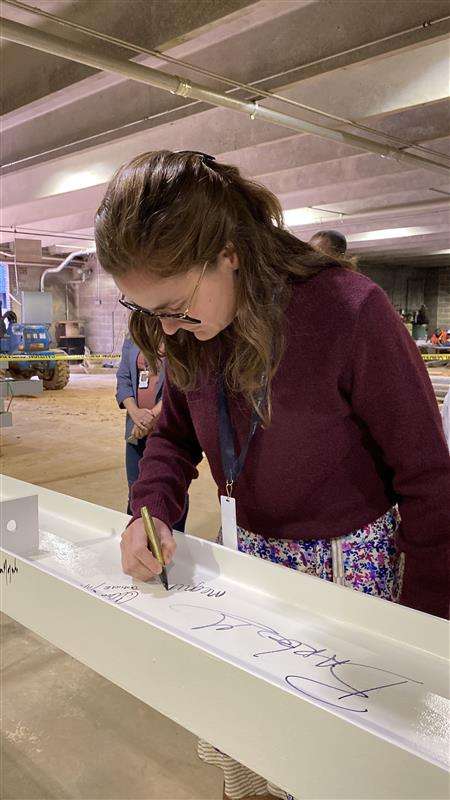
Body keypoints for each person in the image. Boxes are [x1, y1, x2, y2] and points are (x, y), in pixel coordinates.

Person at [95, 150, 450, 800]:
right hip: (251, 566)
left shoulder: (349, 312)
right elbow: (172, 437)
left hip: (353, 576)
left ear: (228, 251)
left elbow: (431, 481)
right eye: (148, 312)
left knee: (341, 762)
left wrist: (424, 635)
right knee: (254, 742)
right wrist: (149, 510)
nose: (168, 331)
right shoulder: (188, 332)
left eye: (175, 306)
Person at [115, 334, 189, 528]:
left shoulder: (179, 335)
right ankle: (137, 539)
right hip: (136, 430)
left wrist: (152, 416)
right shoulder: (132, 336)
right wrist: (136, 414)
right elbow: (123, 379)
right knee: (135, 490)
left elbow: (183, 383)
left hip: (167, 428)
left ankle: (172, 541)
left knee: (171, 490)